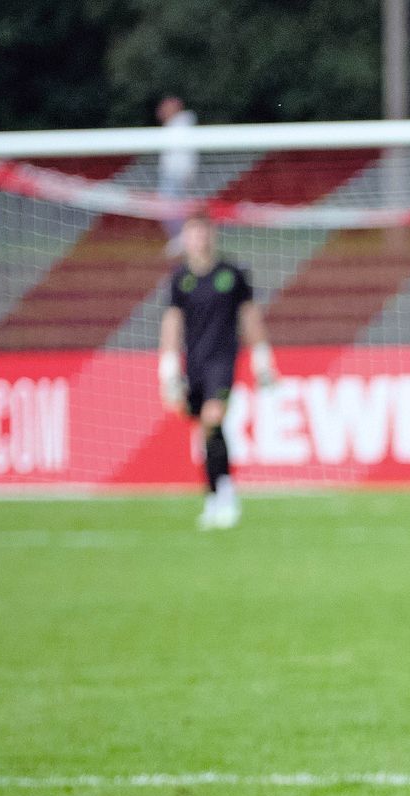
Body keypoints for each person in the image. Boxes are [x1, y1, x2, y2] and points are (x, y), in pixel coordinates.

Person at [158, 215, 274, 530]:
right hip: (193, 364)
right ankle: (215, 496)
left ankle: (225, 497)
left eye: (203, 233)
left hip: (222, 363)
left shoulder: (231, 274)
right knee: (206, 429)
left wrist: (262, 358)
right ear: (185, 240)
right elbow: (172, 322)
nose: (199, 240)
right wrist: (168, 367)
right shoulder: (180, 279)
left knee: (212, 418)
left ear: (212, 235)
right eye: (192, 234)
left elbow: (250, 316)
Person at [156, 95, 199, 256]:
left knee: (170, 208)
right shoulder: (176, 124)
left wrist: (183, 174)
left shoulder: (179, 125)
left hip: (176, 174)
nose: (161, 111)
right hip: (175, 174)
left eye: (165, 107)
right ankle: (182, 239)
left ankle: (182, 239)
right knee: (171, 208)